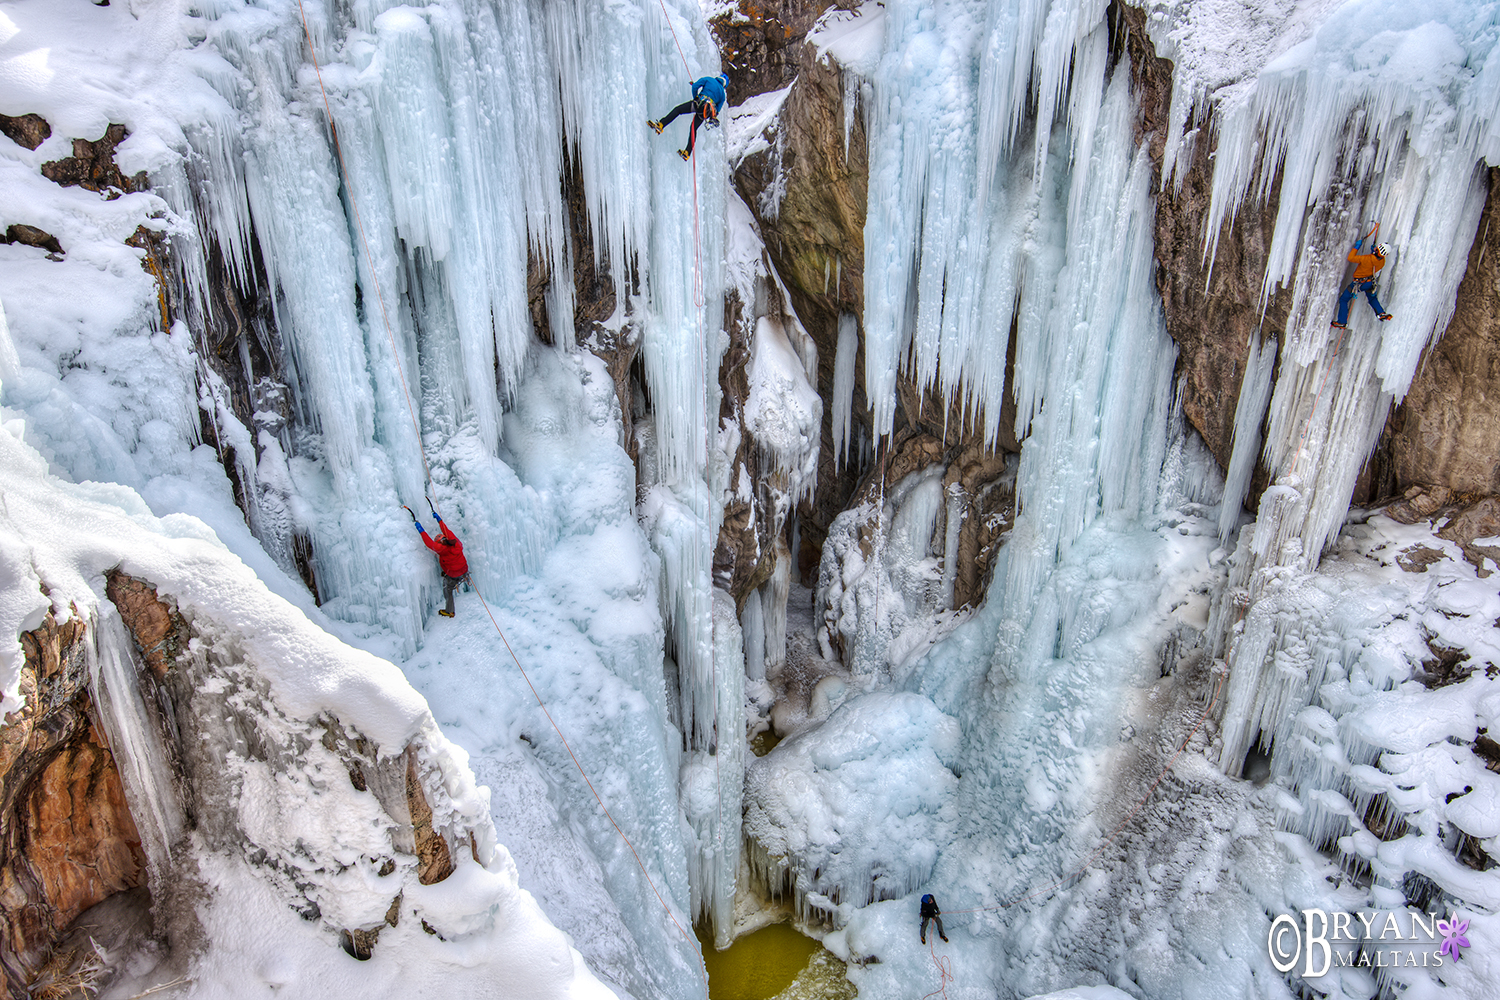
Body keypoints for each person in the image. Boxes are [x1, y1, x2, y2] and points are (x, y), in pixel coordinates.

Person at [648, 73, 728, 161]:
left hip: (698, 103)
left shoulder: (709, 79)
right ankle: (687, 152)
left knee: (678, 110)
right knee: (693, 129)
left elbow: (695, 87)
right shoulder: (723, 95)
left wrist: (695, 98)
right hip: (706, 112)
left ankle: (661, 125)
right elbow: (717, 111)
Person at [414, 511, 468, 618]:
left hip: (453, 574)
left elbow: (429, 543)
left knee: (447, 589)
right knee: (454, 568)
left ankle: (449, 611)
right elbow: (446, 530)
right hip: (464, 570)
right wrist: (439, 519)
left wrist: (420, 530)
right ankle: (465, 577)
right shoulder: (455, 542)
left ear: (439, 542)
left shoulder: (441, 549)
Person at [1331, 235, 1393, 329]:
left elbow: (1351, 258)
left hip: (1359, 284)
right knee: (1372, 299)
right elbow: (1376, 259)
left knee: (1344, 299)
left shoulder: (1366, 259)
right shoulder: (1382, 261)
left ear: (1378, 249)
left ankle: (1342, 322)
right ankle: (1381, 313)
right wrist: (1374, 252)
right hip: (1370, 283)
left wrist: (1356, 247)